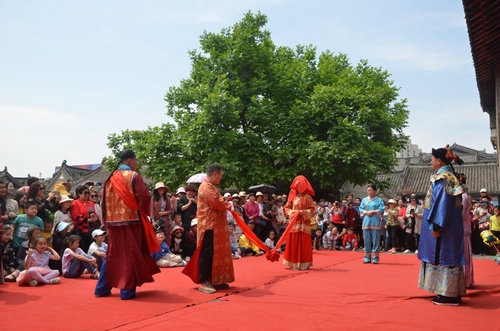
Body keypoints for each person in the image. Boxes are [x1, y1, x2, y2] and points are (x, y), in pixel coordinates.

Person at [94, 150, 159, 300]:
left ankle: (101, 288)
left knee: (112, 255)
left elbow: (103, 203)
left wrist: (106, 221)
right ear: (130, 160)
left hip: (113, 223)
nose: (137, 164)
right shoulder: (134, 176)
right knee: (130, 254)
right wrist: (143, 214)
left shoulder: (109, 179)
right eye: (136, 160)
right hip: (132, 222)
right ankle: (127, 291)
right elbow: (144, 198)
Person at [417, 146, 466, 305]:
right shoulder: (450, 177)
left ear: (439, 160)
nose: (430, 162)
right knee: (449, 255)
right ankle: (452, 292)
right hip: (451, 225)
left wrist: (436, 226)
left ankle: (447, 294)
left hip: (443, 226)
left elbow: (441, 204)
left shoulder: (443, 178)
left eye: (432, 159)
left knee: (442, 256)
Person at [182, 164, 234, 294]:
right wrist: (227, 204)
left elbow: (218, 200)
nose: (221, 178)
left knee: (214, 254)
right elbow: (217, 203)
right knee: (206, 254)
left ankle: (214, 279)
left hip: (216, 226)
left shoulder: (212, 187)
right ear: (215, 174)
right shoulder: (205, 188)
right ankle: (204, 280)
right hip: (208, 226)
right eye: (220, 176)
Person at [283, 175, 315, 270]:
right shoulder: (292, 197)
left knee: (303, 244)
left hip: (304, 225)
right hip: (294, 224)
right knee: (293, 243)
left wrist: (303, 213)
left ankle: (304, 263)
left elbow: (312, 210)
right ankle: (293, 263)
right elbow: (286, 208)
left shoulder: (308, 198)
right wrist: (294, 213)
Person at [359, 184, 385, 264]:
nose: (369, 192)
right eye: (368, 190)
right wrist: (366, 212)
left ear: (374, 191)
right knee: (366, 240)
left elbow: (382, 209)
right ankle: (367, 257)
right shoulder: (364, 200)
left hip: (375, 222)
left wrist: (373, 211)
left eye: (370, 190)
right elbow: (361, 209)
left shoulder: (379, 200)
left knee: (376, 240)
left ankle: (375, 258)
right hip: (366, 221)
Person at [70, 185, 98, 252]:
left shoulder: (91, 203)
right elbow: (76, 215)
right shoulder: (75, 203)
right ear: (79, 194)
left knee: (91, 246)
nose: (87, 194)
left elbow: (95, 214)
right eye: (85, 193)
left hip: (91, 228)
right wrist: (88, 220)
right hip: (81, 229)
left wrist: (95, 217)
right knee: (83, 247)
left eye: (88, 193)